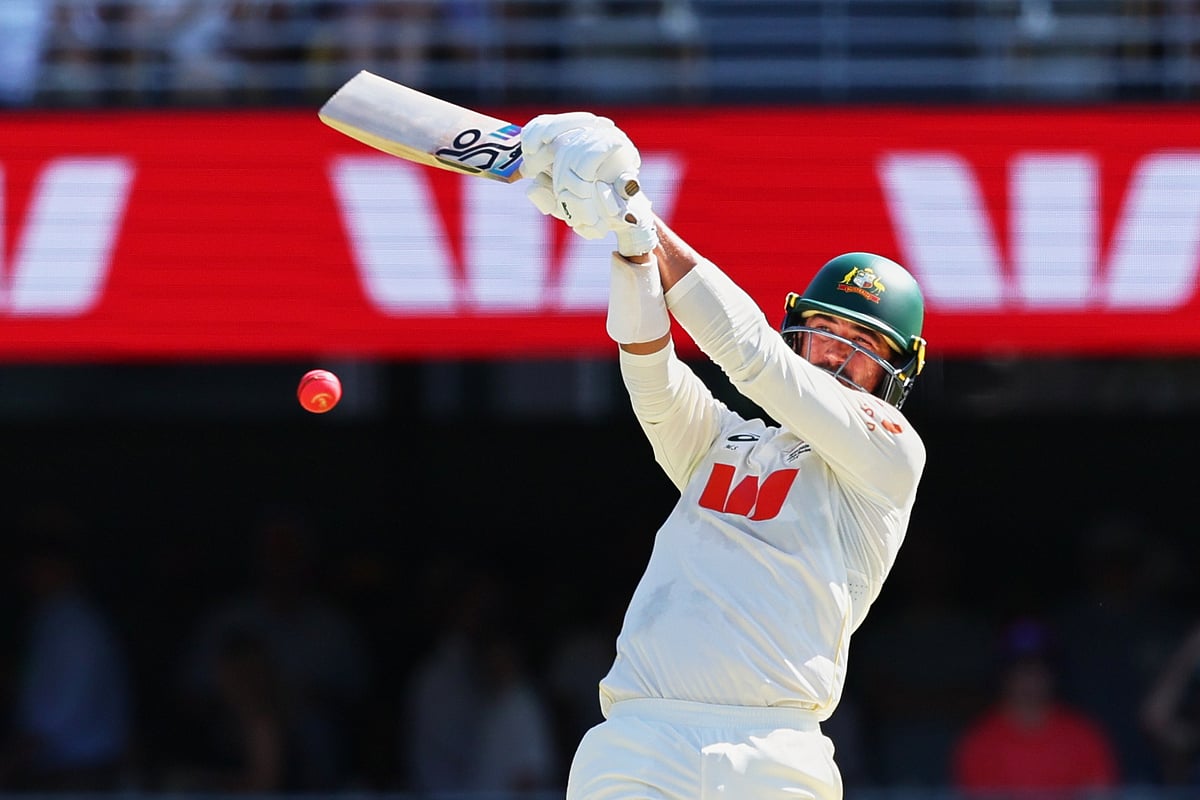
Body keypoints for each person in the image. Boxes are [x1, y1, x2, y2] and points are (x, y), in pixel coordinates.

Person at [517, 113, 929, 800]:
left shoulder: (889, 454)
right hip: (641, 736)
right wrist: (631, 251)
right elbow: (650, 375)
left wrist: (640, 215)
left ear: (896, 373)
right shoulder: (721, 443)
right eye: (824, 329)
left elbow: (753, 357)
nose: (835, 352)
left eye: (863, 344)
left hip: (776, 749)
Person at [952, 618, 1119, 798]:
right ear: (1004, 676)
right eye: (1020, 669)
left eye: (1038, 668)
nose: (1030, 679)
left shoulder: (1084, 736)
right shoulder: (980, 742)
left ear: (1053, 674)